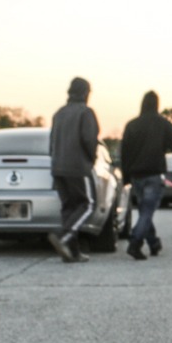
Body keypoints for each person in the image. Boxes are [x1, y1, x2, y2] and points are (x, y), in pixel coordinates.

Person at [120, 90, 172, 259]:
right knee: (147, 211)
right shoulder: (163, 124)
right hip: (153, 174)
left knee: (144, 210)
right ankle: (135, 242)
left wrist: (126, 176)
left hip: (136, 175)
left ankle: (154, 243)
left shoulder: (132, 125)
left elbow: (124, 153)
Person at [46, 77, 100, 262]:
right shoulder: (85, 112)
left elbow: (51, 142)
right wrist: (91, 160)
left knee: (69, 207)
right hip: (78, 167)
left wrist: (55, 160)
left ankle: (72, 252)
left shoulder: (59, 113)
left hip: (57, 167)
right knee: (87, 205)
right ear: (85, 93)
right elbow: (89, 139)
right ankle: (63, 235)